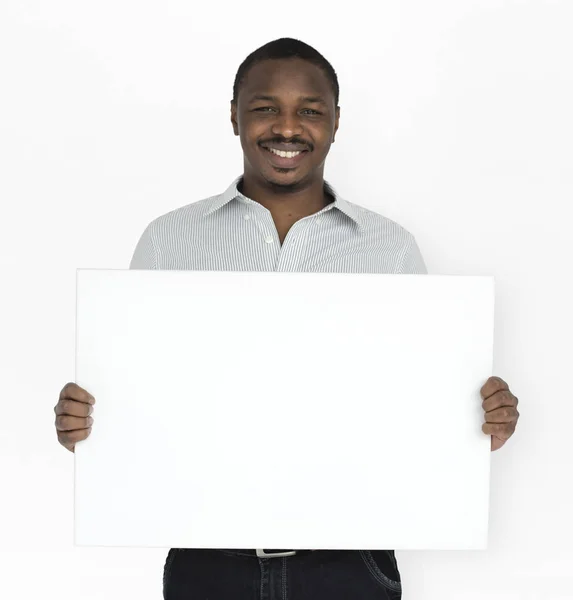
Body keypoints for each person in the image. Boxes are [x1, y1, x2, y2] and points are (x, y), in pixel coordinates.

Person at [54, 37, 520, 600]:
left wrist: (481, 425)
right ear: (233, 116)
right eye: (265, 107)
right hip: (208, 562)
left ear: (337, 122)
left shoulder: (390, 249)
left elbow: (418, 402)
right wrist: (87, 424)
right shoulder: (169, 239)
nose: (288, 127)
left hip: (351, 563)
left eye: (310, 110)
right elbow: (135, 398)